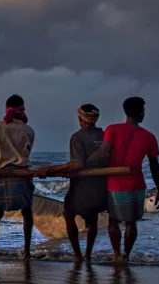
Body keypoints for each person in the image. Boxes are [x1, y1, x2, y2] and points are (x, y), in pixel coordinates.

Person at [90, 97, 159, 263]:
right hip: (136, 184)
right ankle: (127, 255)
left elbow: (102, 152)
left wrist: (83, 165)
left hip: (114, 183)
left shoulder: (113, 129)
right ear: (141, 113)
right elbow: (155, 166)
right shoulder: (148, 136)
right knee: (131, 223)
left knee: (113, 220)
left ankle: (117, 254)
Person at [38, 104, 108, 263]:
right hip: (100, 186)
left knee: (68, 214)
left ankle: (77, 255)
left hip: (82, 186)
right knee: (93, 219)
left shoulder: (77, 137)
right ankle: (88, 254)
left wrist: (51, 168)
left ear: (79, 119)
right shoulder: (105, 135)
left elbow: (77, 164)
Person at [0, 95, 36, 258]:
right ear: (22, 109)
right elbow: (27, 153)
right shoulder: (28, 130)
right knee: (27, 211)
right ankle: (27, 251)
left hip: (1, 172)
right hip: (21, 173)